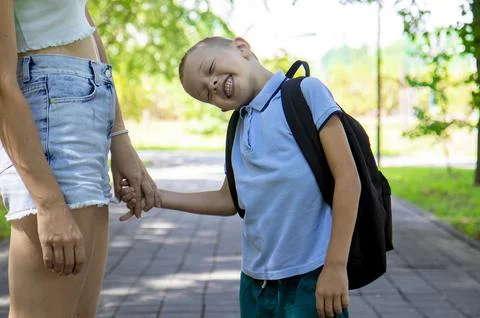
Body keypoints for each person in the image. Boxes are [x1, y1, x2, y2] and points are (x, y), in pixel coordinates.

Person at [120, 36, 361, 318]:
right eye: (206, 95)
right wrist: (157, 198)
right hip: (255, 283)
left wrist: (335, 266)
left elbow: (348, 180)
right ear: (220, 108)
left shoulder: (306, 93)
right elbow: (228, 200)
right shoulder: (238, 125)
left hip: (312, 276)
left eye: (210, 69)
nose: (211, 85)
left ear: (242, 47)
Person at [0, 1, 157, 317]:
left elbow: (83, 19)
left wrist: (119, 136)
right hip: (47, 113)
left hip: (86, 98)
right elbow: (1, 83)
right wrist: (49, 203)